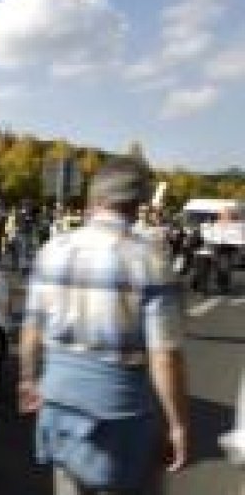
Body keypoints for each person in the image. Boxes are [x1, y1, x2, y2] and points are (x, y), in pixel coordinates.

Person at [19, 158, 189, 495]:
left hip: (60, 403)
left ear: (93, 201)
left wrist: (28, 378)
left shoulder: (53, 250)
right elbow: (164, 357)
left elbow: (31, 329)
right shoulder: (149, 259)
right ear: (137, 205)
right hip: (118, 415)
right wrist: (177, 424)